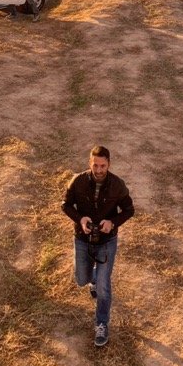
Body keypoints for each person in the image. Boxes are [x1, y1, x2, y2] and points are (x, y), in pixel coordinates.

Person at [62, 145, 134, 347]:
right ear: (90, 163)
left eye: (103, 165)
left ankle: (101, 324)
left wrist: (113, 223)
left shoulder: (118, 185)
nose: (99, 170)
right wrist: (80, 219)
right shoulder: (77, 181)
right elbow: (65, 205)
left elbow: (129, 210)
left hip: (107, 240)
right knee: (81, 279)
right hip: (82, 238)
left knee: (103, 285)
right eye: (95, 165)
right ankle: (93, 276)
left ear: (109, 164)